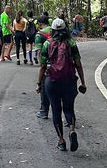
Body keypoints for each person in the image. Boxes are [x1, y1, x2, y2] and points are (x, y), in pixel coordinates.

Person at [36, 18, 86, 152]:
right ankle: (71, 129)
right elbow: (78, 64)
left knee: (56, 110)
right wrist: (83, 82)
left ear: (52, 30)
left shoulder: (47, 43)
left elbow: (42, 65)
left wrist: (39, 83)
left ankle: (61, 141)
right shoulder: (71, 43)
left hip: (52, 81)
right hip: (69, 80)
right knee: (69, 108)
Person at [35, 14, 51, 118]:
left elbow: (40, 53)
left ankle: (44, 111)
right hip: (62, 65)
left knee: (45, 88)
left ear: (40, 24)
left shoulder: (39, 35)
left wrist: (38, 82)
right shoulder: (56, 30)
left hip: (48, 66)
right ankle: (69, 118)